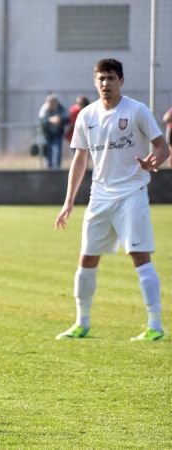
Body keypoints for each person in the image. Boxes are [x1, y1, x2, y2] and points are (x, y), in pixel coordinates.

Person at [54, 58, 170, 342]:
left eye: (110, 79)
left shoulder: (137, 111)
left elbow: (163, 148)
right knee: (86, 260)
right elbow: (80, 160)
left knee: (140, 259)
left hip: (131, 194)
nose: (105, 84)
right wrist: (69, 201)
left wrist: (151, 163)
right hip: (99, 197)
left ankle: (155, 325)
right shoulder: (86, 116)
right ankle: (82, 323)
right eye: (101, 79)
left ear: (121, 81)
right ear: (95, 83)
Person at [38, 94, 68, 169]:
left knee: (58, 149)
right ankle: (49, 165)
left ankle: (58, 166)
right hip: (47, 133)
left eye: (54, 103)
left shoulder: (61, 108)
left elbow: (66, 118)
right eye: (51, 103)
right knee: (48, 149)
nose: (53, 105)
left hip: (58, 132)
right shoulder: (44, 108)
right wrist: (50, 120)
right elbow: (42, 119)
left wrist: (60, 119)